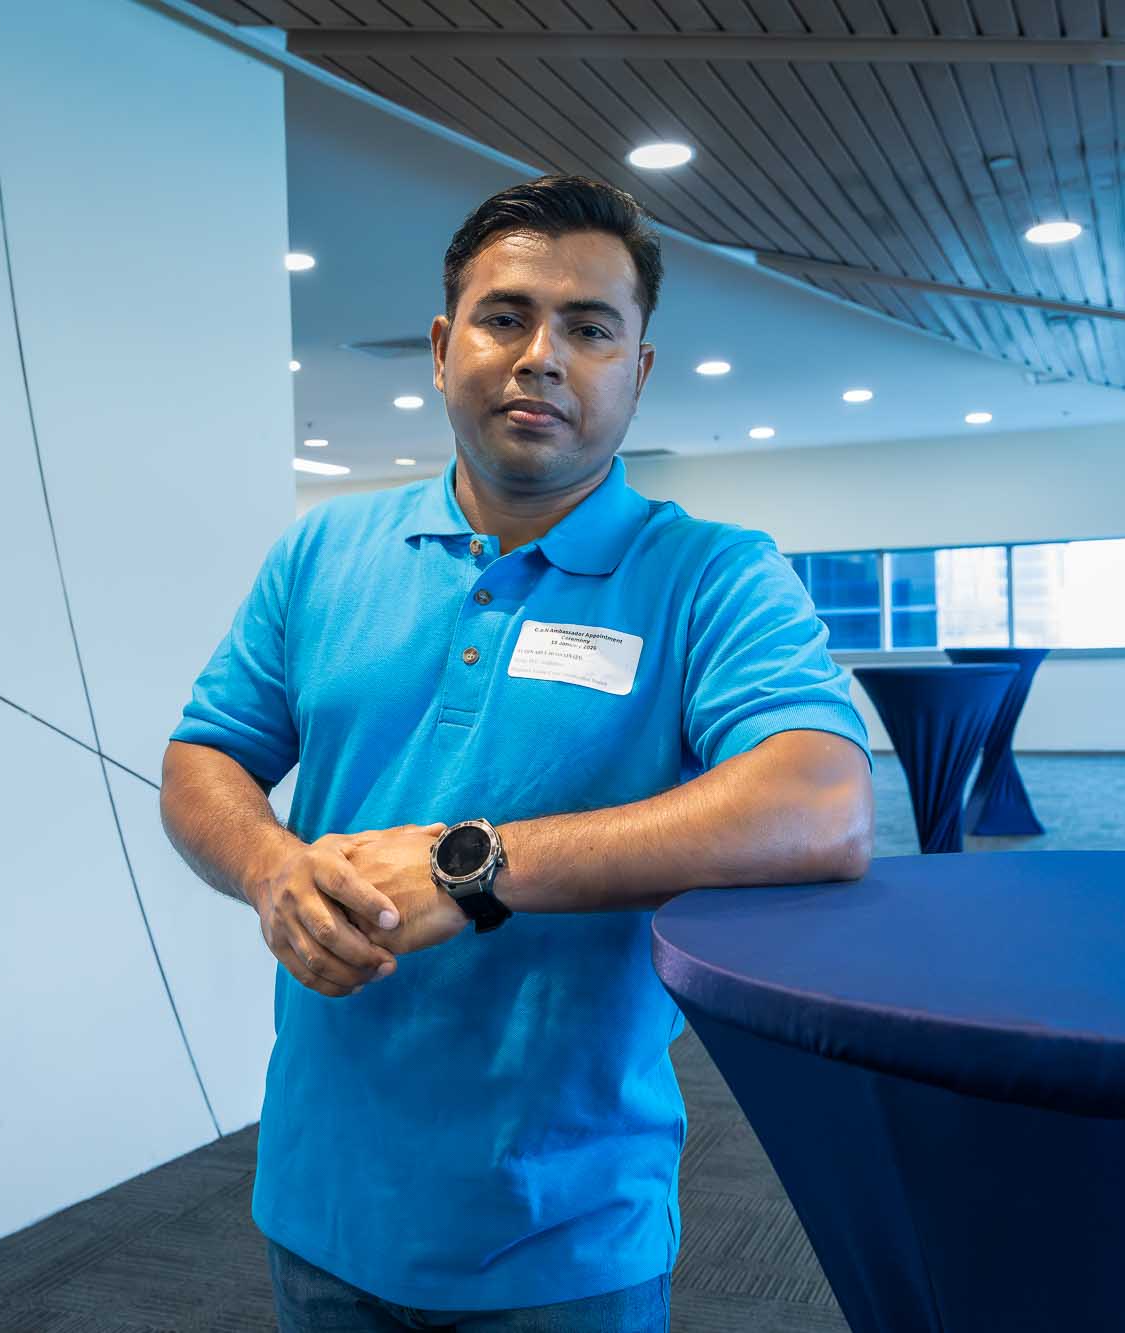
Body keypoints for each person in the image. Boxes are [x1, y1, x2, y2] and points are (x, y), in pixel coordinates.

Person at [161, 174, 874, 1332]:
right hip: (320, 1196)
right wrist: (267, 867)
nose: (540, 357)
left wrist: (470, 867)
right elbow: (205, 754)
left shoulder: (711, 573)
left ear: (637, 369)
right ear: (443, 346)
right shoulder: (321, 550)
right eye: (505, 317)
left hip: (562, 1227)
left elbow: (822, 803)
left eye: (589, 329)